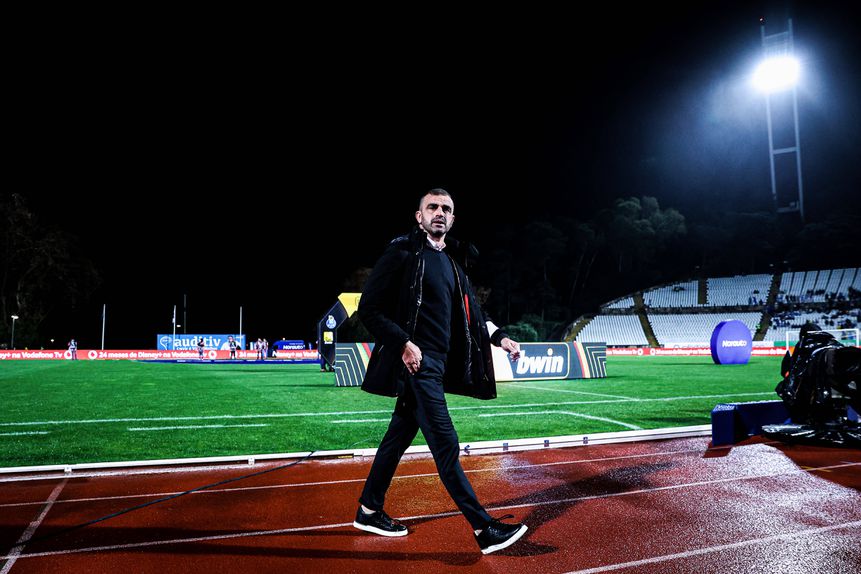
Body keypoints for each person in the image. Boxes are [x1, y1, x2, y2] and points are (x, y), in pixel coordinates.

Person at [353, 188, 527, 555]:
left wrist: (501, 338)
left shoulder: (451, 263)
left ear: (452, 219)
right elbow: (369, 308)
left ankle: (368, 510)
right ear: (419, 216)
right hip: (418, 364)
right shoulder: (403, 253)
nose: (439, 212)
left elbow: (473, 314)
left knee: (397, 439)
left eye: (445, 208)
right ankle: (483, 528)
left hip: (438, 365)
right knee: (446, 445)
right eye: (431, 207)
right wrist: (403, 343)